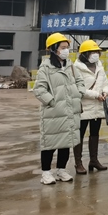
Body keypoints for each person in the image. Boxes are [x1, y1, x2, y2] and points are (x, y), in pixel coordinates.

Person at [31, 33, 84, 185]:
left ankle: (61, 170)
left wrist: (78, 94)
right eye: (63, 47)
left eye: (67, 47)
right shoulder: (46, 67)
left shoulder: (70, 66)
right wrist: (52, 102)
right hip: (53, 113)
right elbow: (39, 89)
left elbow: (80, 81)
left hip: (70, 111)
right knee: (50, 143)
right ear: (54, 49)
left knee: (66, 142)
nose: (66, 51)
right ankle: (46, 172)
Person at [73, 40, 108, 175]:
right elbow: (78, 88)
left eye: (97, 52)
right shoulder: (76, 68)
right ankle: (78, 163)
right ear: (85, 54)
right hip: (83, 106)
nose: (96, 54)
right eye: (92, 52)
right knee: (79, 135)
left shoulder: (99, 66)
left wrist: (105, 92)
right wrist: (96, 95)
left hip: (97, 106)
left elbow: (105, 82)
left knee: (95, 133)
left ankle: (94, 160)